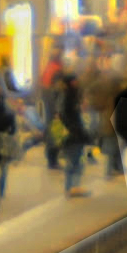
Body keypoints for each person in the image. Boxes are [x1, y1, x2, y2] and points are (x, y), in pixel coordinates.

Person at [49, 62, 93, 194]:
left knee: (75, 160)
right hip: (71, 133)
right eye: (75, 81)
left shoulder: (69, 95)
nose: (77, 83)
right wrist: (73, 129)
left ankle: (72, 186)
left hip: (72, 132)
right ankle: (72, 187)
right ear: (71, 82)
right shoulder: (67, 96)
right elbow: (63, 115)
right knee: (74, 160)